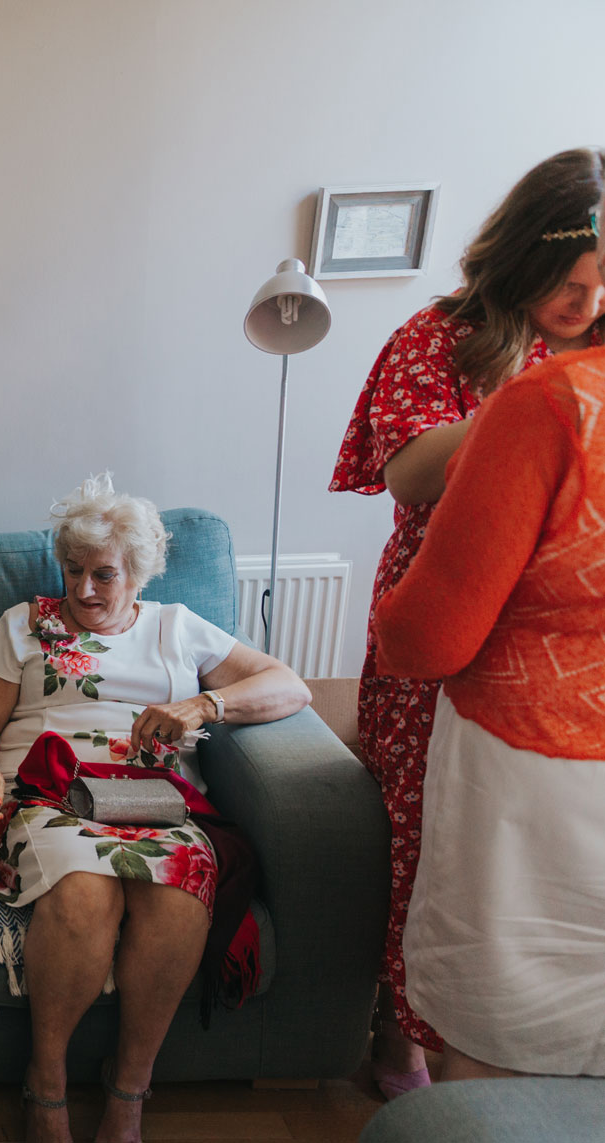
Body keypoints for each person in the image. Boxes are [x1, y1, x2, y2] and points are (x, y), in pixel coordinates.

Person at [330, 147, 605, 1097]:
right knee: (426, 832)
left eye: (600, 283)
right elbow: (407, 472)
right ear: (523, 251)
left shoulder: (590, 350)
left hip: (568, 651)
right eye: (566, 280)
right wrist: (528, 414)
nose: (583, 301)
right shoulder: (442, 336)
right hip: (443, 615)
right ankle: (405, 1031)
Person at [0, 474, 309, 1143]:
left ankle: (129, 1088)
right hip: (47, 788)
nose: (84, 590)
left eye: (104, 574)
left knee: (179, 894)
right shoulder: (23, 624)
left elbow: (291, 684)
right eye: (73, 570)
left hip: (154, 798)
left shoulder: (179, 627)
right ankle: (47, 1084)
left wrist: (205, 704)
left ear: (138, 573)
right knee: (84, 891)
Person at [374, 301, 605, 1082]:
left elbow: (424, 638)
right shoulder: (450, 343)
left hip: (535, 764)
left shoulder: (550, 401)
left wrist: (393, 611)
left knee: (505, 1040)